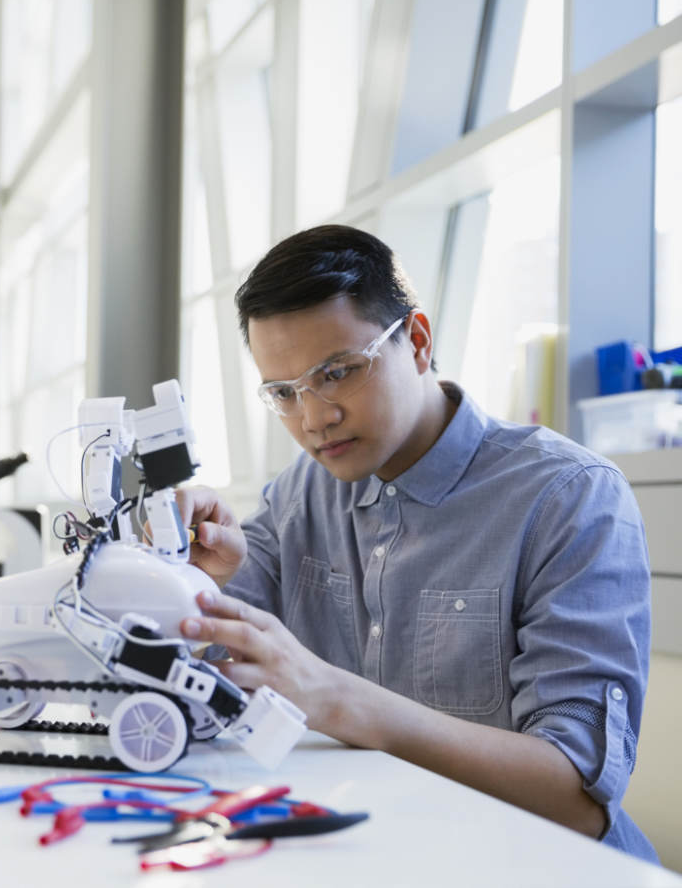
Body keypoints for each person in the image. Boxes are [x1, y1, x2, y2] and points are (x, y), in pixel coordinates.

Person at [176, 224, 656, 862]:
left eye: (338, 372)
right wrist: (198, 571)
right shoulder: (303, 491)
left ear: (419, 342)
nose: (314, 418)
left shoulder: (570, 498)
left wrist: (339, 699)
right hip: (376, 857)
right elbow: (212, 640)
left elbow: (576, 802)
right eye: (285, 394)